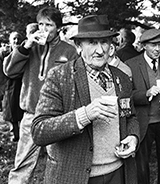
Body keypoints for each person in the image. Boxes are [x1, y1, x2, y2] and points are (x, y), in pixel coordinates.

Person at [31, 14, 139, 184]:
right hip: (76, 176)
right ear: (79, 45)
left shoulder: (122, 78)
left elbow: (131, 116)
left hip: (118, 172)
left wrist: (133, 137)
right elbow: (39, 131)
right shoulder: (59, 77)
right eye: (92, 42)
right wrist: (84, 115)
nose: (100, 50)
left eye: (104, 42)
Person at [4, 7, 78, 184]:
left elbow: (73, 85)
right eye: (40, 24)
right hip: (30, 115)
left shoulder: (69, 51)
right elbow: (9, 70)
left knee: (57, 163)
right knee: (22, 165)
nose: (43, 29)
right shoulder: (30, 48)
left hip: (55, 117)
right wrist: (26, 46)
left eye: (49, 25)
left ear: (58, 27)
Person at [126, 28, 160, 184]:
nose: (158, 49)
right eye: (153, 45)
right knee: (141, 165)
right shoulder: (131, 64)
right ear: (144, 45)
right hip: (143, 123)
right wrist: (146, 94)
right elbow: (126, 96)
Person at [1, 31, 23, 141]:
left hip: (21, 84)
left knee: (21, 108)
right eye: (14, 39)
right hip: (8, 84)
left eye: (18, 38)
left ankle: (22, 132)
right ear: (10, 41)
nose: (16, 41)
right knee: (10, 109)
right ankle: (14, 131)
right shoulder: (4, 53)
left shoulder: (24, 51)